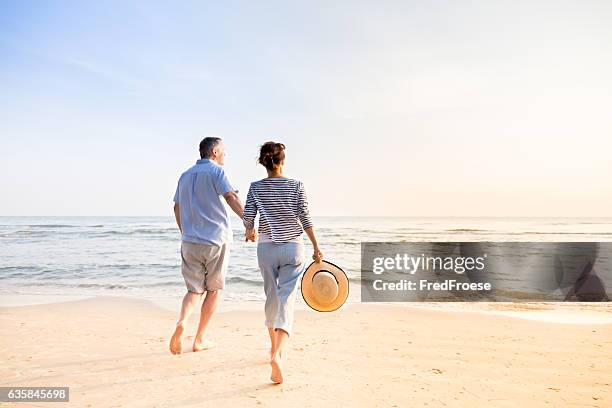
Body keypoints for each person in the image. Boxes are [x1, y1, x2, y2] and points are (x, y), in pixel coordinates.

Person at [243, 141, 323, 384]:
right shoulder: (296, 185)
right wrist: (316, 246)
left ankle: (272, 349)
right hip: (292, 248)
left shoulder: (255, 187)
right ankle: (278, 354)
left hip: (266, 248)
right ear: (282, 161)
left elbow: (248, 217)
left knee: (271, 296)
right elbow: (304, 216)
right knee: (286, 298)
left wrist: (250, 231)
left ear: (263, 162)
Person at [170, 137, 245, 354]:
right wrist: (247, 221)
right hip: (215, 239)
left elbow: (177, 207)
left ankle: (182, 321)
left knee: (193, 290)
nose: (224, 155)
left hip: (190, 241)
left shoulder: (185, 176)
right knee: (213, 290)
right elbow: (230, 196)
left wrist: (185, 232)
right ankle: (199, 339)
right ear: (214, 151)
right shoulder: (216, 172)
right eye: (223, 151)